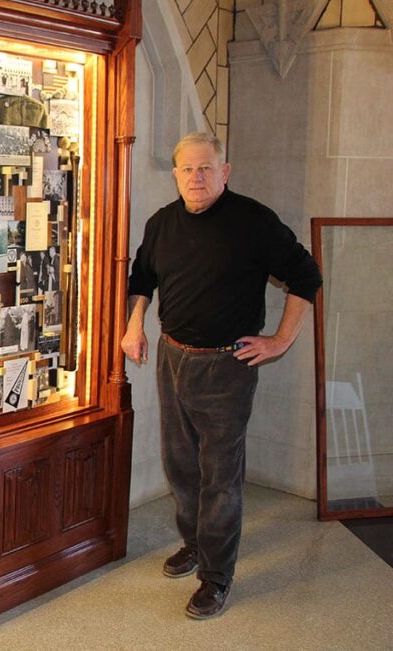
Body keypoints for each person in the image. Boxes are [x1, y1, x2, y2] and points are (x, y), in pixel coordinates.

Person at [122, 131, 321, 620]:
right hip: (173, 357)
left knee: (220, 476)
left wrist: (279, 340)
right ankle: (194, 543)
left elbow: (307, 276)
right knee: (180, 465)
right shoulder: (163, 223)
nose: (197, 177)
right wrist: (133, 325)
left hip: (226, 367)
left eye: (206, 168)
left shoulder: (253, 221)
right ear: (175, 175)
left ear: (224, 172)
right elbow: (142, 278)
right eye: (187, 169)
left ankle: (216, 575)